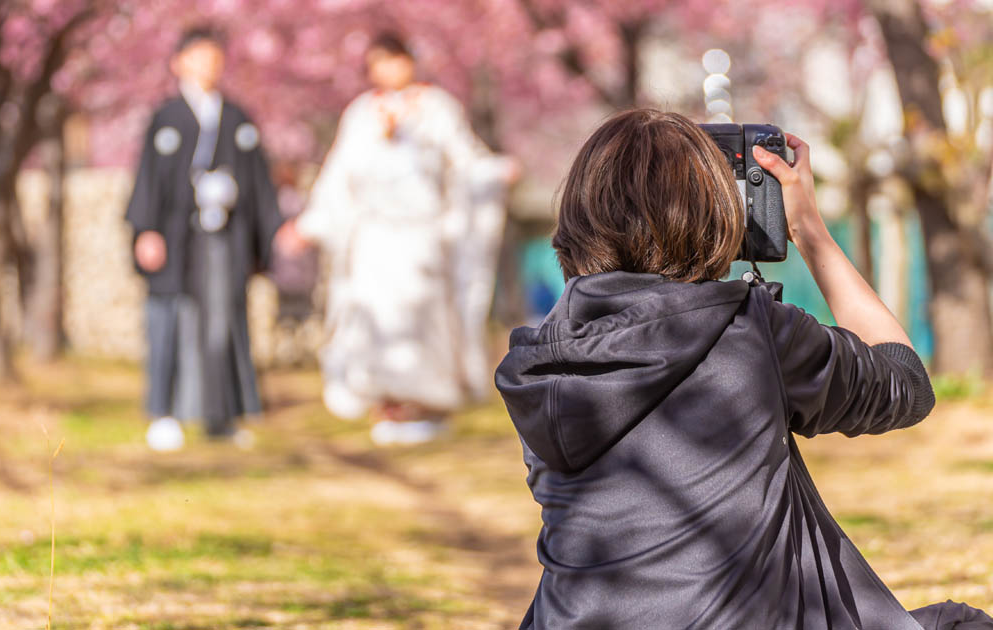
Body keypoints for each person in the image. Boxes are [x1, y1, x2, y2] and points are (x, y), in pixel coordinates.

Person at [495, 109, 990, 629]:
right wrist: (808, 231)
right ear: (713, 213)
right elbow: (905, 384)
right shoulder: (752, 331)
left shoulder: (535, 363)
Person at [279, 32, 517, 445]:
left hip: (421, 237)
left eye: (394, 60)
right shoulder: (360, 114)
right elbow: (338, 176)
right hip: (374, 238)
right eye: (379, 62)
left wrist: (493, 173)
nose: (388, 70)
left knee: (421, 318)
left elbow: (465, 162)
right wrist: (311, 224)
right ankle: (385, 403)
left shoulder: (438, 108)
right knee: (374, 319)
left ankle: (425, 403)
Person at [126, 26, 283, 445]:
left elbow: (261, 185)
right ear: (179, 62)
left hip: (223, 238)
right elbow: (146, 180)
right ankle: (163, 410)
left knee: (221, 322)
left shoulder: (236, 118)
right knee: (169, 318)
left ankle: (221, 415)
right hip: (177, 235)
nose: (207, 65)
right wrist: (146, 230)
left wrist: (269, 234)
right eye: (198, 56)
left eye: (214, 56)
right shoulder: (166, 117)